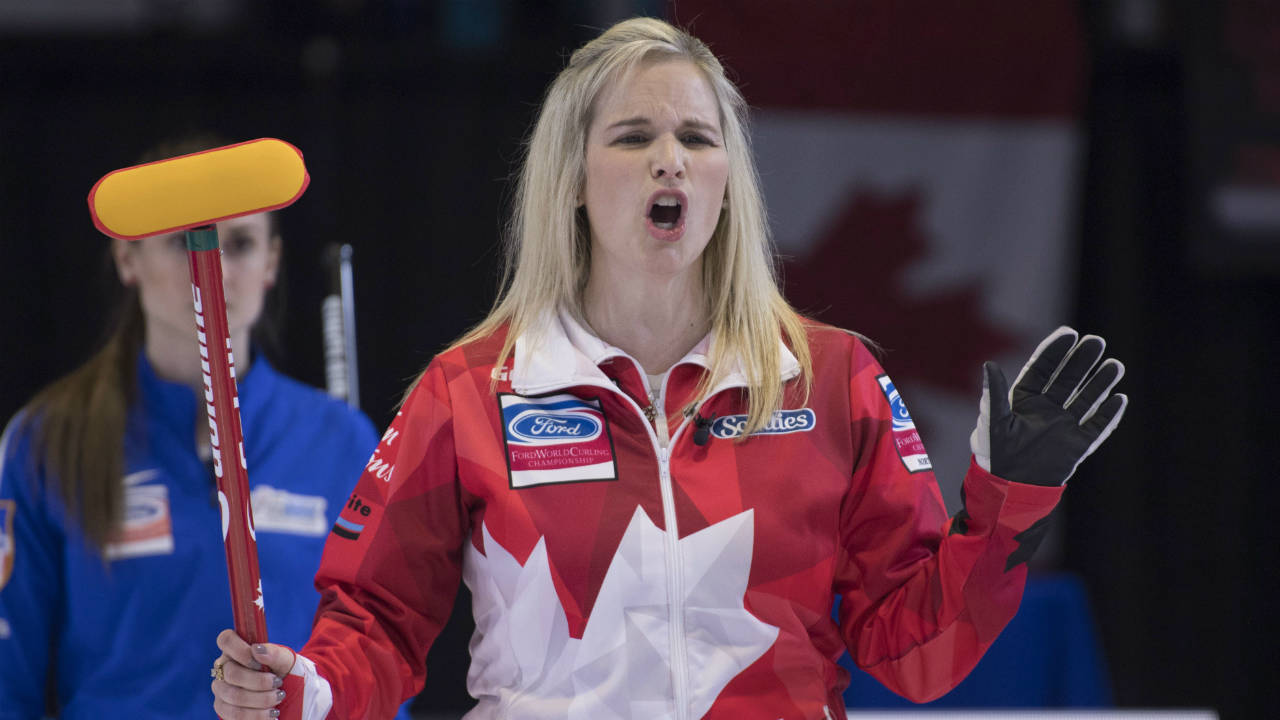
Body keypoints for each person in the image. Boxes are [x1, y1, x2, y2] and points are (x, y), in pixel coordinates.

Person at [211, 17, 1128, 720]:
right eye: (632, 136)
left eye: (697, 137)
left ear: (730, 178)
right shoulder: (471, 389)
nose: (669, 162)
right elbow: (374, 622)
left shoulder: (832, 378)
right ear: (571, 176)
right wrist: (305, 691)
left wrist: (1011, 497)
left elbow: (918, 655)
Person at [0, 136, 402, 719]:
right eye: (182, 240)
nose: (212, 264)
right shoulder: (46, 440)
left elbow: (381, 671)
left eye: (240, 243)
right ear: (126, 259)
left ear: (271, 262)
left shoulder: (341, 439)